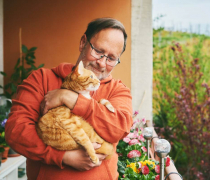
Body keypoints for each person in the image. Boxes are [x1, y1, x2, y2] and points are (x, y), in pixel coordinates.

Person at [5, 18, 133, 180]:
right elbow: (16, 131)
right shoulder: (41, 79)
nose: (102, 63)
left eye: (111, 58)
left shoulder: (118, 91)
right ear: (83, 43)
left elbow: (119, 129)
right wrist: (62, 156)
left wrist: (70, 99)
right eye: (98, 51)